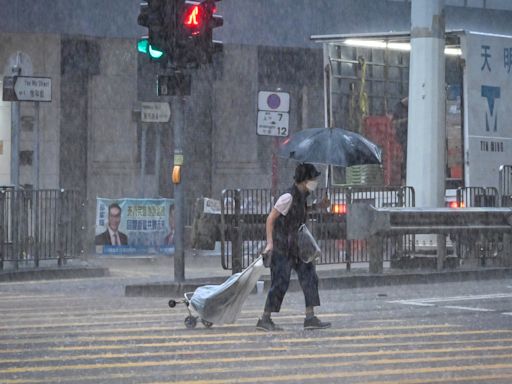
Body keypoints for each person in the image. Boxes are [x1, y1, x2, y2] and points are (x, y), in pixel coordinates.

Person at [256, 163, 331, 332]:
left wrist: (319, 205)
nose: (315, 183)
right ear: (304, 180)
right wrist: (270, 244)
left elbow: (299, 212)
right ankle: (265, 318)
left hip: (298, 247)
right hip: (282, 247)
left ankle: (310, 317)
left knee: (310, 276)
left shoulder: (302, 197)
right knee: (280, 282)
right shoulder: (287, 197)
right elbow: (270, 219)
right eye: (313, 179)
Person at [392, 97, 408, 184]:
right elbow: (394, 123)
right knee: (405, 158)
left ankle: (404, 178)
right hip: (402, 137)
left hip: (407, 137)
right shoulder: (399, 108)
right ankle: (403, 179)